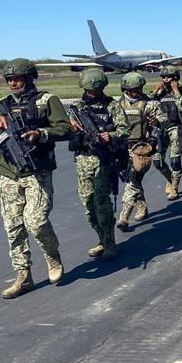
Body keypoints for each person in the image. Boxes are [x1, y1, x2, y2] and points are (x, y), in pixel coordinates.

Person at [0, 59, 74, 299]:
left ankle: (52, 256)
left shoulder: (46, 100)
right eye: (10, 79)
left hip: (36, 170)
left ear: (30, 78)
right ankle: (23, 276)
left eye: (18, 78)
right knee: (13, 226)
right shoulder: (1, 105)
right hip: (8, 173)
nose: (13, 83)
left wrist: (40, 134)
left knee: (36, 221)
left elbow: (65, 129)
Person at [67, 68, 129, 260]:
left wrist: (109, 136)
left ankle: (110, 242)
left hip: (103, 159)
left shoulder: (112, 106)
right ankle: (101, 239)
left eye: (97, 89)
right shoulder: (75, 108)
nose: (93, 92)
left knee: (102, 203)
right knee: (88, 205)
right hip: (83, 160)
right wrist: (71, 127)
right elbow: (62, 131)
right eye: (90, 89)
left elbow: (124, 130)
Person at [114, 72, 168, 232]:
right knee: (131, 180)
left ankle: (123, 217)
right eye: (133, 90)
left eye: (139, 89)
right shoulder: (117, 104)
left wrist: (157, 122)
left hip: (141, 148)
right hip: (123, 148)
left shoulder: (149, 104)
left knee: (132, 180)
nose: (137, 92)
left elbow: (164, 121)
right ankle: (142, 206)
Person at [151, 65, 182, 200]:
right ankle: (170, 179)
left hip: (176, 129)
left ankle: (175, 187)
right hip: (160, 129)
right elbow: (149, 106)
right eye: (163, 77)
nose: (166, 79)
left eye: (169, 77)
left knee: (174, 161)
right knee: (157, 161)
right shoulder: (159, 93)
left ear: (176, 78)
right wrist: (155, 92)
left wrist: (176, 91)